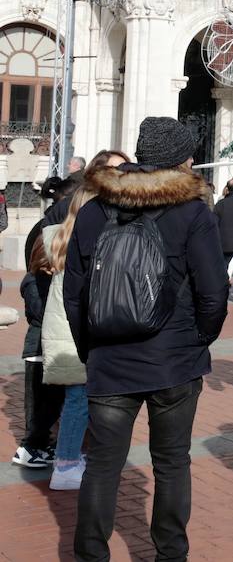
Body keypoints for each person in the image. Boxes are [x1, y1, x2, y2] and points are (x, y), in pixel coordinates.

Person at [63, 117, 229, 561]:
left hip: (110, 358)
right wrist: (199, 341)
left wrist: (90, 348)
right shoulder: (193, 211)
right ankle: (170, 555)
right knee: (172, 462)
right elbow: (213, 290)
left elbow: (73, 291)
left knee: (102, 465)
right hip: (174, 360)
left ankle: (90, 555)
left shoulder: (96, 208)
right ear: (180, 159)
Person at [39, 184, 99, 491]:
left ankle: (68, 458)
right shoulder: (81, 242)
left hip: (63, 331)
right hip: (75, 333)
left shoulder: (60, 238)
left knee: (76, 399)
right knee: (78, 400)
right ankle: (65, 464)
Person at [15, 228, 63, 471]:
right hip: (37, 350)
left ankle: (43, 442)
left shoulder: (48, 278)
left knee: (52, 401)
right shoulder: (33, 279)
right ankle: (29, 447)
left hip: (49, 349)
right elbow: (39, 312)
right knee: (37, 405)